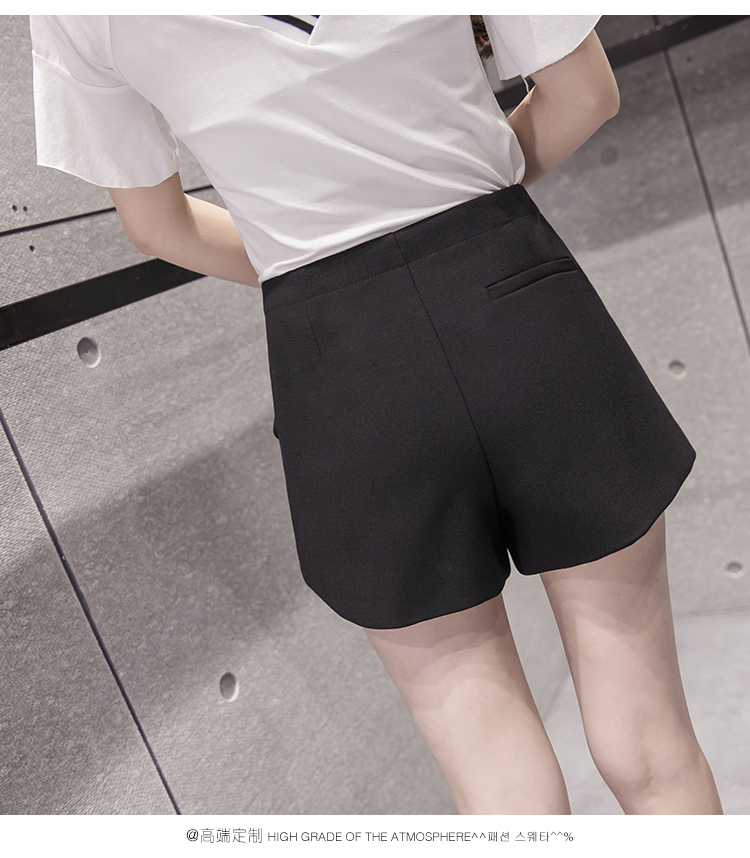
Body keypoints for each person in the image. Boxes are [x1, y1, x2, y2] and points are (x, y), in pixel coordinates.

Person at [30, 14, 723, 815]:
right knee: (650, 744)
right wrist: (467, 206)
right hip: (519, 302)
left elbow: (158, 226)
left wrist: (323, 274)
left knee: (498, 788)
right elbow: (584, 95)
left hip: (341, 362)